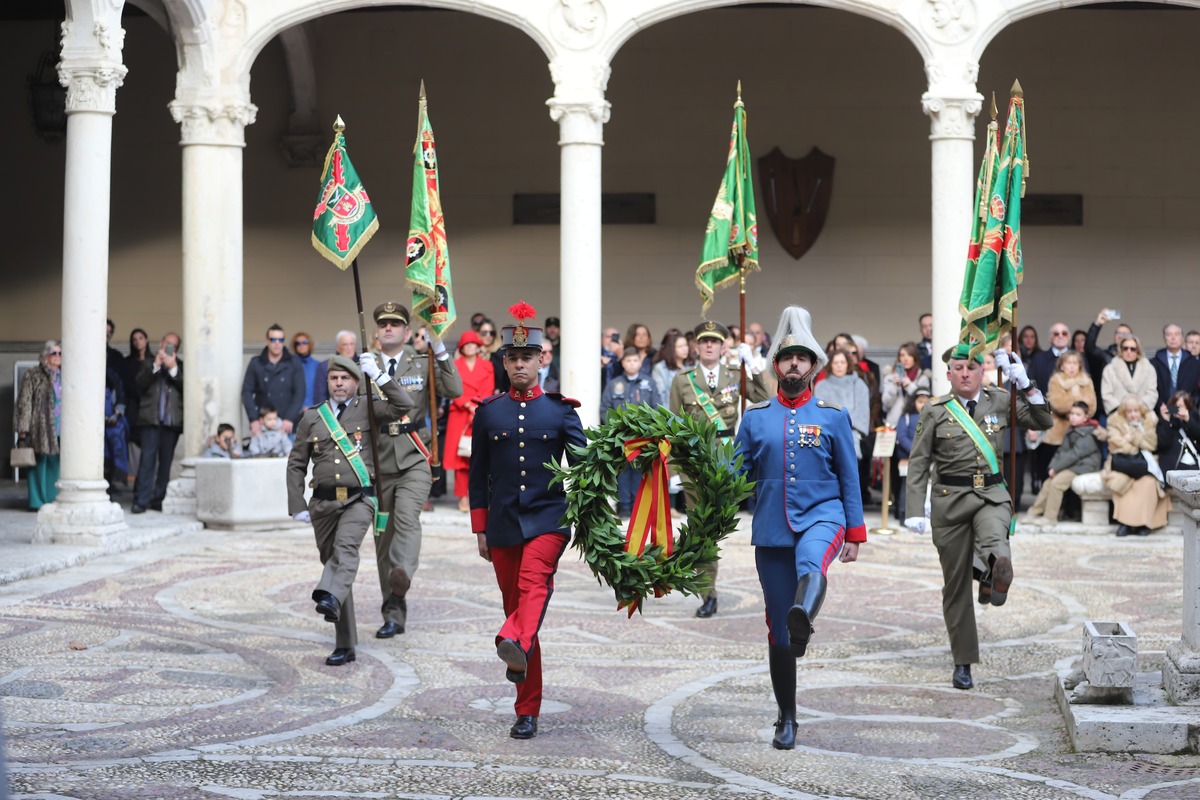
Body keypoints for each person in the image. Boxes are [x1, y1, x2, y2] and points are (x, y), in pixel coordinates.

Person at [734, 306, 865, 750]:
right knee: (776, 630)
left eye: (802, 357)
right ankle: (786, 716)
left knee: (812, 563)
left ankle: (803, 617)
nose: (794, 364)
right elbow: (735, 476)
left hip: (824, 515)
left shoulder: (832, 415)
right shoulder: (754, 417)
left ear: (814, 366)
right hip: (771, 528)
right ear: (776, 365)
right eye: (787, 357)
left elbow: (849, 476)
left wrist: (855, 531)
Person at [469, 303, 586, 740]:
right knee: (519, 617)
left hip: (548, 520)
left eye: (528, 357)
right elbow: (478, 474)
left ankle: (516, 665)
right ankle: (526, 706)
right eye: (513, 358)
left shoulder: (560, 411)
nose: (520, 364)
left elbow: (586, 462)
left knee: (532, 589)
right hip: (501, 525)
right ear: (504, 361)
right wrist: (479, 527)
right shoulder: (489, 412)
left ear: (542, 360)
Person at [904, 344, 1052, 690]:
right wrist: (914, 509)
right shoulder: (934, 410)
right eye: (959, 368)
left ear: (983, 370)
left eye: (972, 366)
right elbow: (919, 461)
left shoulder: (999, 399)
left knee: (997, 544)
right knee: (955, 586)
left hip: (991, 495)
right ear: (949, 373)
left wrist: (1026, 383)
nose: (966, 373)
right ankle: (963, 661)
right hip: (950, 502)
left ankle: (994, 574)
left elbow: (1043, 420)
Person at [286, 353, 415, 666]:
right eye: (334, 378)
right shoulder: (313, 417)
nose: (339, 383)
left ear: (357, 382)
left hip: (359, 499)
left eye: (346, 378)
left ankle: (325, 597)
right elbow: (296, 463)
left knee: (345, 553)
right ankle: (345, 643)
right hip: (323, 504)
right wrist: (296, 504)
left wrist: (380, 377)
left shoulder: (368, 407)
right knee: (337, 571)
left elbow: (404, 405)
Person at [369, 302, 462, 639]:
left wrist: (440, 350)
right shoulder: (364, 365)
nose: (389, 329)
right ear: (377, 332)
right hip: (378, 462)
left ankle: (402, 576)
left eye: (396, 324)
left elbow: (455, 391)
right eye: (384, 325)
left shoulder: (421, 363)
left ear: (408, 332)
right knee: (383, 541)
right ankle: (393, 611)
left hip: (414, 457)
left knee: (407, 518)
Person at [669, 320, 769, 617]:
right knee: (703, 529)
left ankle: (705, 583)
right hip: (694, 464)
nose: (709, 345)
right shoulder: (682, 380)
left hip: (726, 463)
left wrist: (752, 364)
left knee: (717, 527)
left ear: (724, 346)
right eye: (704, 341)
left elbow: (764, 399)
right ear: (696, 346)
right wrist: (675, 470)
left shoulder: (735, 374)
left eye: (715, 341)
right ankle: (707, 592)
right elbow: (673, 426)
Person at [600, 347, 660, 516]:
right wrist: (615, 429)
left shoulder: (649, 383)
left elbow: (657, 407)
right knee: (623, 472)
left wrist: (649, 429)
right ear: (622, 363)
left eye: (635, 360)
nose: (632, 364)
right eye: (628, 361)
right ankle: (624, 506)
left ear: (640, 362)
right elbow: (605, 409)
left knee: (640, 471)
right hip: (622, 438)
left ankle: (638, 506)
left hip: (643, 437)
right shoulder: (614, 384)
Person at [1100, 395, 1170, 537]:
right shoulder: (1115, 422)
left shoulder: (1150, 421)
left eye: (1136, 411)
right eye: (1129, 411)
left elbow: (1153, 444)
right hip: (1123, 464)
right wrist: (1137, 444)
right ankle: (1125, 524)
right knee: (1121, 483)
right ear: (1124, 412)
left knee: (1149, 483)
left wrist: (1133, 438)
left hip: (1146, 465)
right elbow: (1115, 445)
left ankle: (1143, 524)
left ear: (1141, 411)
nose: (1133, 415)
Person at [1022, 402, 1101, 526]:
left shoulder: (1088, 433)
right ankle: (1034, 513)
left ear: (1086, 417)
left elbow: (1075, 454)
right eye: (1072, 413)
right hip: (1074, 465)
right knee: (1048, 482)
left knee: (1057, 483)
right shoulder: (1072, 430)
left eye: (1078, 414)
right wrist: (1053, 467)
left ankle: (1050, 517)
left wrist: (1057, 468)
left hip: (1084, 466)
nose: (1073, 417)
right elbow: (1061, 451)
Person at [443, 327, 492, 515]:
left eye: (473, 344)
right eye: (467, 344)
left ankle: (477, 497)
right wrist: (467, 405)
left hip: (480, 412)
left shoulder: (487, 366)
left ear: (478, 346)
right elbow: (451, 389)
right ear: (462, 347)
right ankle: (463, 496)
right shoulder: (454, 365)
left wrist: (477, 406)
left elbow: (489, 387)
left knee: (479, 457)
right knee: (460, 459)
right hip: (460, 414)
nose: (470, 347)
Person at [133, 332, 183, 513]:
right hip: (150, 421)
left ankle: (158, 500)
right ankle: (141, 500)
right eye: (167, 343)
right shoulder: (148, 363)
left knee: (165, 464)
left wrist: (173, 368)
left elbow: (185, 387)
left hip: (172, 423)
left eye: (174, 346)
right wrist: (156, 365)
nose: (169, 347)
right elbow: (140, 383)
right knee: (147, 461)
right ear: (161, 343)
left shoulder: (180, 366)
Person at [14, 341, 62, 509]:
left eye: (60, 353)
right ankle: (37, 502)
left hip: (60, 426)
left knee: (55, 464)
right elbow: (24, 403)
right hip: (39, 426)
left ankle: (51, 500)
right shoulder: (32, 374)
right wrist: (23, 430)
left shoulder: (65, 375)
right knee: (38, 464)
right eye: (53, 353)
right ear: (44, 356)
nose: (57, 357)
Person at [242, 324, 306, 435]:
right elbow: (246, 392)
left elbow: (300, 392)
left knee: (289, 451)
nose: (277, 343)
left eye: (280, 340)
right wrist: (253, 419)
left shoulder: (294, 362)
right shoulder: (256, 363)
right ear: (266, 341)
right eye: (273, 339)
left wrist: (289, 418)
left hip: (287, 424)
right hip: (262, 424)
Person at [894, 387, 930, 521]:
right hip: (907, 458)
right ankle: (903, 513)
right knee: (906, 487)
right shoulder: (906, 417)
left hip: (927, 458)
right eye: (920, 401)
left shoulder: (933, 417)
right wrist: (916, 451)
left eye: (926, 402)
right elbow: (902, 436)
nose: (923, 405)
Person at [1101, 334, 1157, 416]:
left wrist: (1139, 409)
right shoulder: (1110, 369)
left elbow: (1152, 393)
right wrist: (1122, 410)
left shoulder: (1149, 369)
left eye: (1132, 349)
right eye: (1125, 348)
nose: (1128, 351)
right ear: (1121, 350)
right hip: (1118, 415)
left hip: (1142, 415)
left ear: (1138, 350)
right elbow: (1106, 394)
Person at [882, 343, 931, 428]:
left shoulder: (922, 378)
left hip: (916, 425)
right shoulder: (890, 378)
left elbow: (924, 403)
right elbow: (886, 404)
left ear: (914, 357)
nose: (905, 358)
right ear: (898, 358)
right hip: (894, 424)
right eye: (902, 355)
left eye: (909, 355)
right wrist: (894, 386)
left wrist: (909, 386)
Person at [1152, 323, 1200, 408]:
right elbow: (1151, 390)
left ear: (1182, 338)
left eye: (1177, 334)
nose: (1173, 338)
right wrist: (1161, 407)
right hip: (1161, 411)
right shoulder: (1154, 363)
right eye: (1169, 334)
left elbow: (1197, 391)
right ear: (1164, 338)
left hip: (1187, 412)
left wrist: (1188, 405)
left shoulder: (1194, 364)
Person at [1157, 390, 1200, 474]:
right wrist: (1166, 420)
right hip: (1174, 467)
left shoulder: (1193, 420)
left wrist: (1187, 420)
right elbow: (1163, 443)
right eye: (1175, 407)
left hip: (1194, 464)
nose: (1177, 410)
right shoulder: (1166, 423)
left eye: (1181, 407)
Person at [313, 330, 357, 406]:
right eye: (345, 345)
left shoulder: (363, 366)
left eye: (351, 344)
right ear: (338, 348)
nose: (349, 348)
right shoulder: (324, 367)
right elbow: (320, 396)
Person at [651, 331, 692, 401]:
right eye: (680, 346)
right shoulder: (661, 368)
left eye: (686, 345)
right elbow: (661, 396)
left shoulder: (692, 365)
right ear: (672, 349)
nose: (685, 349)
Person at [292, 332, 320, 411]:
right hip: (294, 411)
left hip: (312, 409)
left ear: (309, 344)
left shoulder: (317, 365)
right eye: (298, 343)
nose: (301, 345)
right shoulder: (289, 365)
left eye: (304, 342)